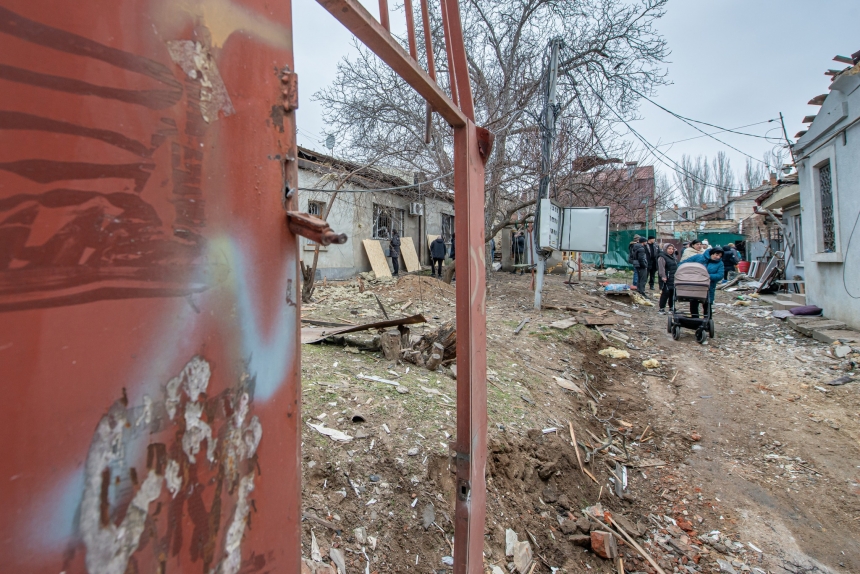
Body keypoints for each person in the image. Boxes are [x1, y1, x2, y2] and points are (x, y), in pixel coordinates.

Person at [679, 247, 724, 318]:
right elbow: (683, 264)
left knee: (707, 304)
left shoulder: (720, 263)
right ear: (712, 253)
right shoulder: (698, 257)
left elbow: (720, 275)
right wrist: (689, 273)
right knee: (693, 303)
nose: (718, 257)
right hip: (695, 285)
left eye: (720, 256)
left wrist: (706, 275)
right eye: (716, 254)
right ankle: (695, 321)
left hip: (709, 287)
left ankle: (707, 323)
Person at [657, 244, 678, 314]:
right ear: (665, 249)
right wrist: (663, 276)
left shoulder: (673, 257)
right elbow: (661, 268)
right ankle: (662, 308)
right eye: (669, 249)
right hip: (666, 278)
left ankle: (671, 307)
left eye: (672, 249)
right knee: (665, 293)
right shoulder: (662, 257)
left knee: (672, 293)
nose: (671, 250)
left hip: (673, 278)